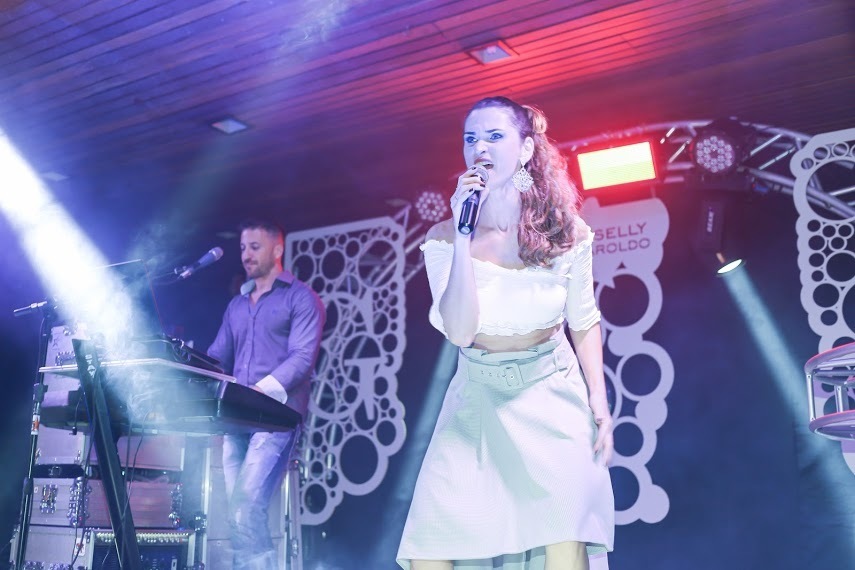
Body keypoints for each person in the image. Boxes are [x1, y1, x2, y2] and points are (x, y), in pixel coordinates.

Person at [397, 97, 615, 570]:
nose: (480, 148)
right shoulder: (443, 237)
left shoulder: (567, 232)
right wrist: (462, 234)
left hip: (551, 393)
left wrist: (598, 400)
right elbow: (460, 331)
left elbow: (584, 319)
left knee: (564, 532)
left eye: (495, 136)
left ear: (525, 149)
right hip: (477, 395)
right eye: (470, 139)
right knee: (431, 544)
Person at [208, 219, 325, 570]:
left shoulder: (301, 297)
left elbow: (302, 359)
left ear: (277, 249)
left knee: (245, 508)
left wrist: (257, 393)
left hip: (275, 420)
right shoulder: (237, 305)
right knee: (237, 512)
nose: (246, 255)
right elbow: (217, 357)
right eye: (243, 248)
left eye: (254, 247)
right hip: (236, 420)